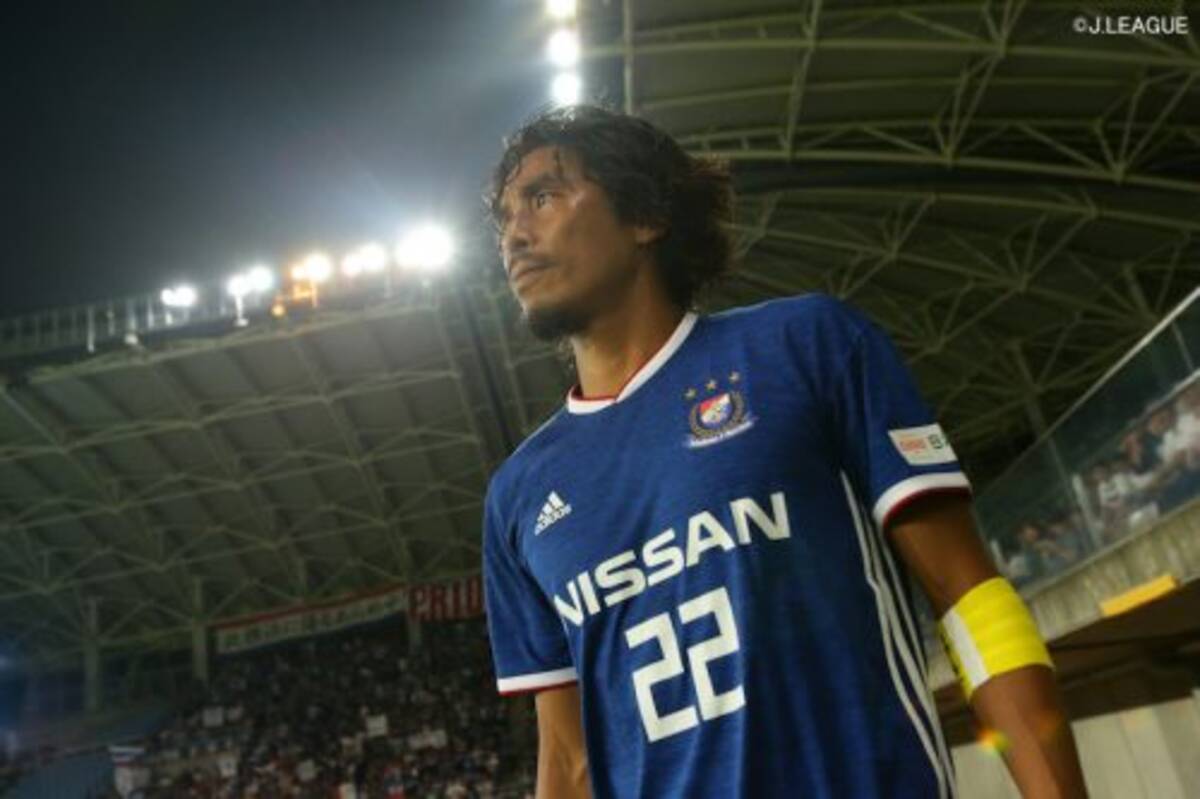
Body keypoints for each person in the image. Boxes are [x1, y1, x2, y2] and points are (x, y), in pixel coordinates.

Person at [481, 105, 1085, 798]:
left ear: (645, 215)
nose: (513, 236)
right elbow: (569, 761)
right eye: (504, 218)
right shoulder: (518, 495)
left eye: (543, 197)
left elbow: (967, 596)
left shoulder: (806, 345)